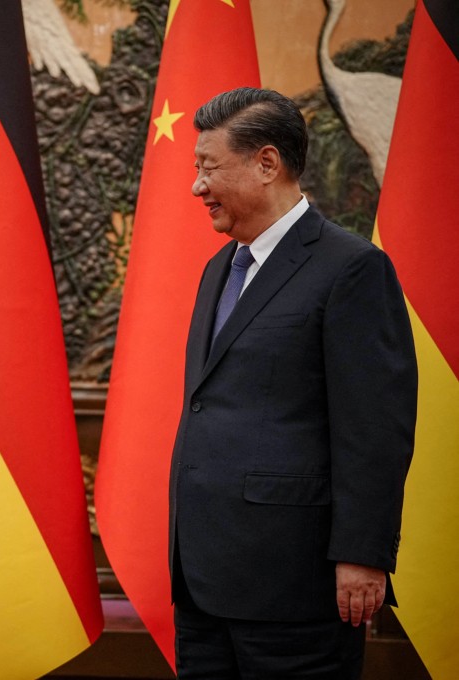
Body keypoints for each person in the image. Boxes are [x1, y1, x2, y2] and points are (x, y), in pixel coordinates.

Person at [169, 88, 417, 679]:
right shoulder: (218, 268)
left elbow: (375, 426)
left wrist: (362, 554)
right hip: (203, 582)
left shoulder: (351, 267)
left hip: (294, 586)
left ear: (267, 164)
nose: (197, 187)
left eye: (208, 169)